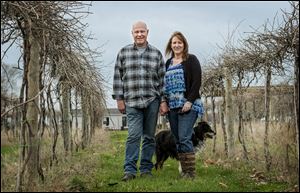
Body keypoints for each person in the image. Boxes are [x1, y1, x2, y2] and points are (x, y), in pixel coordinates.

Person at [112, 21, 165, 181]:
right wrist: (119, 98)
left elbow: (162, 81)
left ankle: (146, 169)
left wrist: (163, 101)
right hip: (132, 101)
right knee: (133, 135)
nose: (139, 34)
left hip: (152, 101)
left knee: (149, 137)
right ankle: (129, 170)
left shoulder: (156, 54)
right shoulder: (123, 52)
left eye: (142, 31)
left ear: (147, 32)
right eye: (137, 32)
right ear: (132, 33)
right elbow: (117, 77)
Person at [160, 31, 204, 179]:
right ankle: (184, 171)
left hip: (189, 105)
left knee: (185, 137)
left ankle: (190, 173)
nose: (177, 45)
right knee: (178, 139)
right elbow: (164, 86)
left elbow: (196, 81)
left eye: (180, 42)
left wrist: (189, 101)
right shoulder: (168, 63)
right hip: (173, 106)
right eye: (174, 43)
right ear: (170, 45)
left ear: (184, 44)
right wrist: (164, 102)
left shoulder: (191, 60)